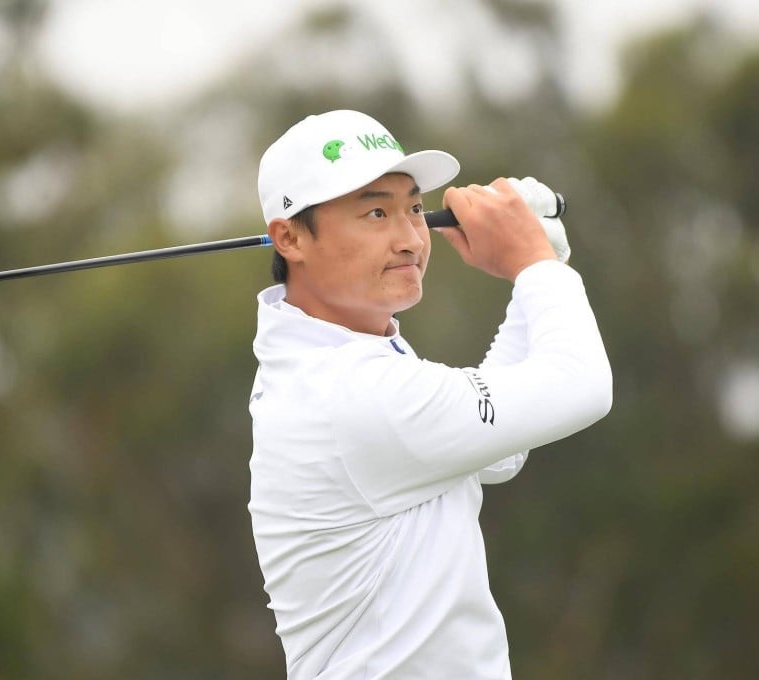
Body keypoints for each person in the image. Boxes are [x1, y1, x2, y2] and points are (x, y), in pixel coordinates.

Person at [247, 109, 612, 679]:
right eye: (375, 212)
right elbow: (583, 386)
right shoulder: (350, 389)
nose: (410, 238)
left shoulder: (343, 362)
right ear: (290, 237)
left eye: (415, 208)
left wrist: (539, 271)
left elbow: (498, 446)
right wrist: (535, 265)